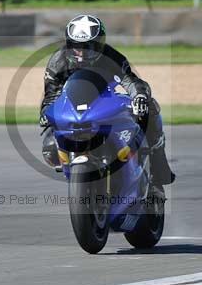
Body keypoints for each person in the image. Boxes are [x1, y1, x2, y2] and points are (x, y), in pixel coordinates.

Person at [39, 14, 175, 186]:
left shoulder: (111, 57)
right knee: (50, 147)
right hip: (74, 107)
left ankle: (157, 158)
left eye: (88, 47)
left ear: (100, 45)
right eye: (76, 46)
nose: (81, 52)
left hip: (105, 100)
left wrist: (139, 97)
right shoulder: (57, 62)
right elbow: (51, 94)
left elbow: (131, 81)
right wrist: (47, 113)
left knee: (149, 106)